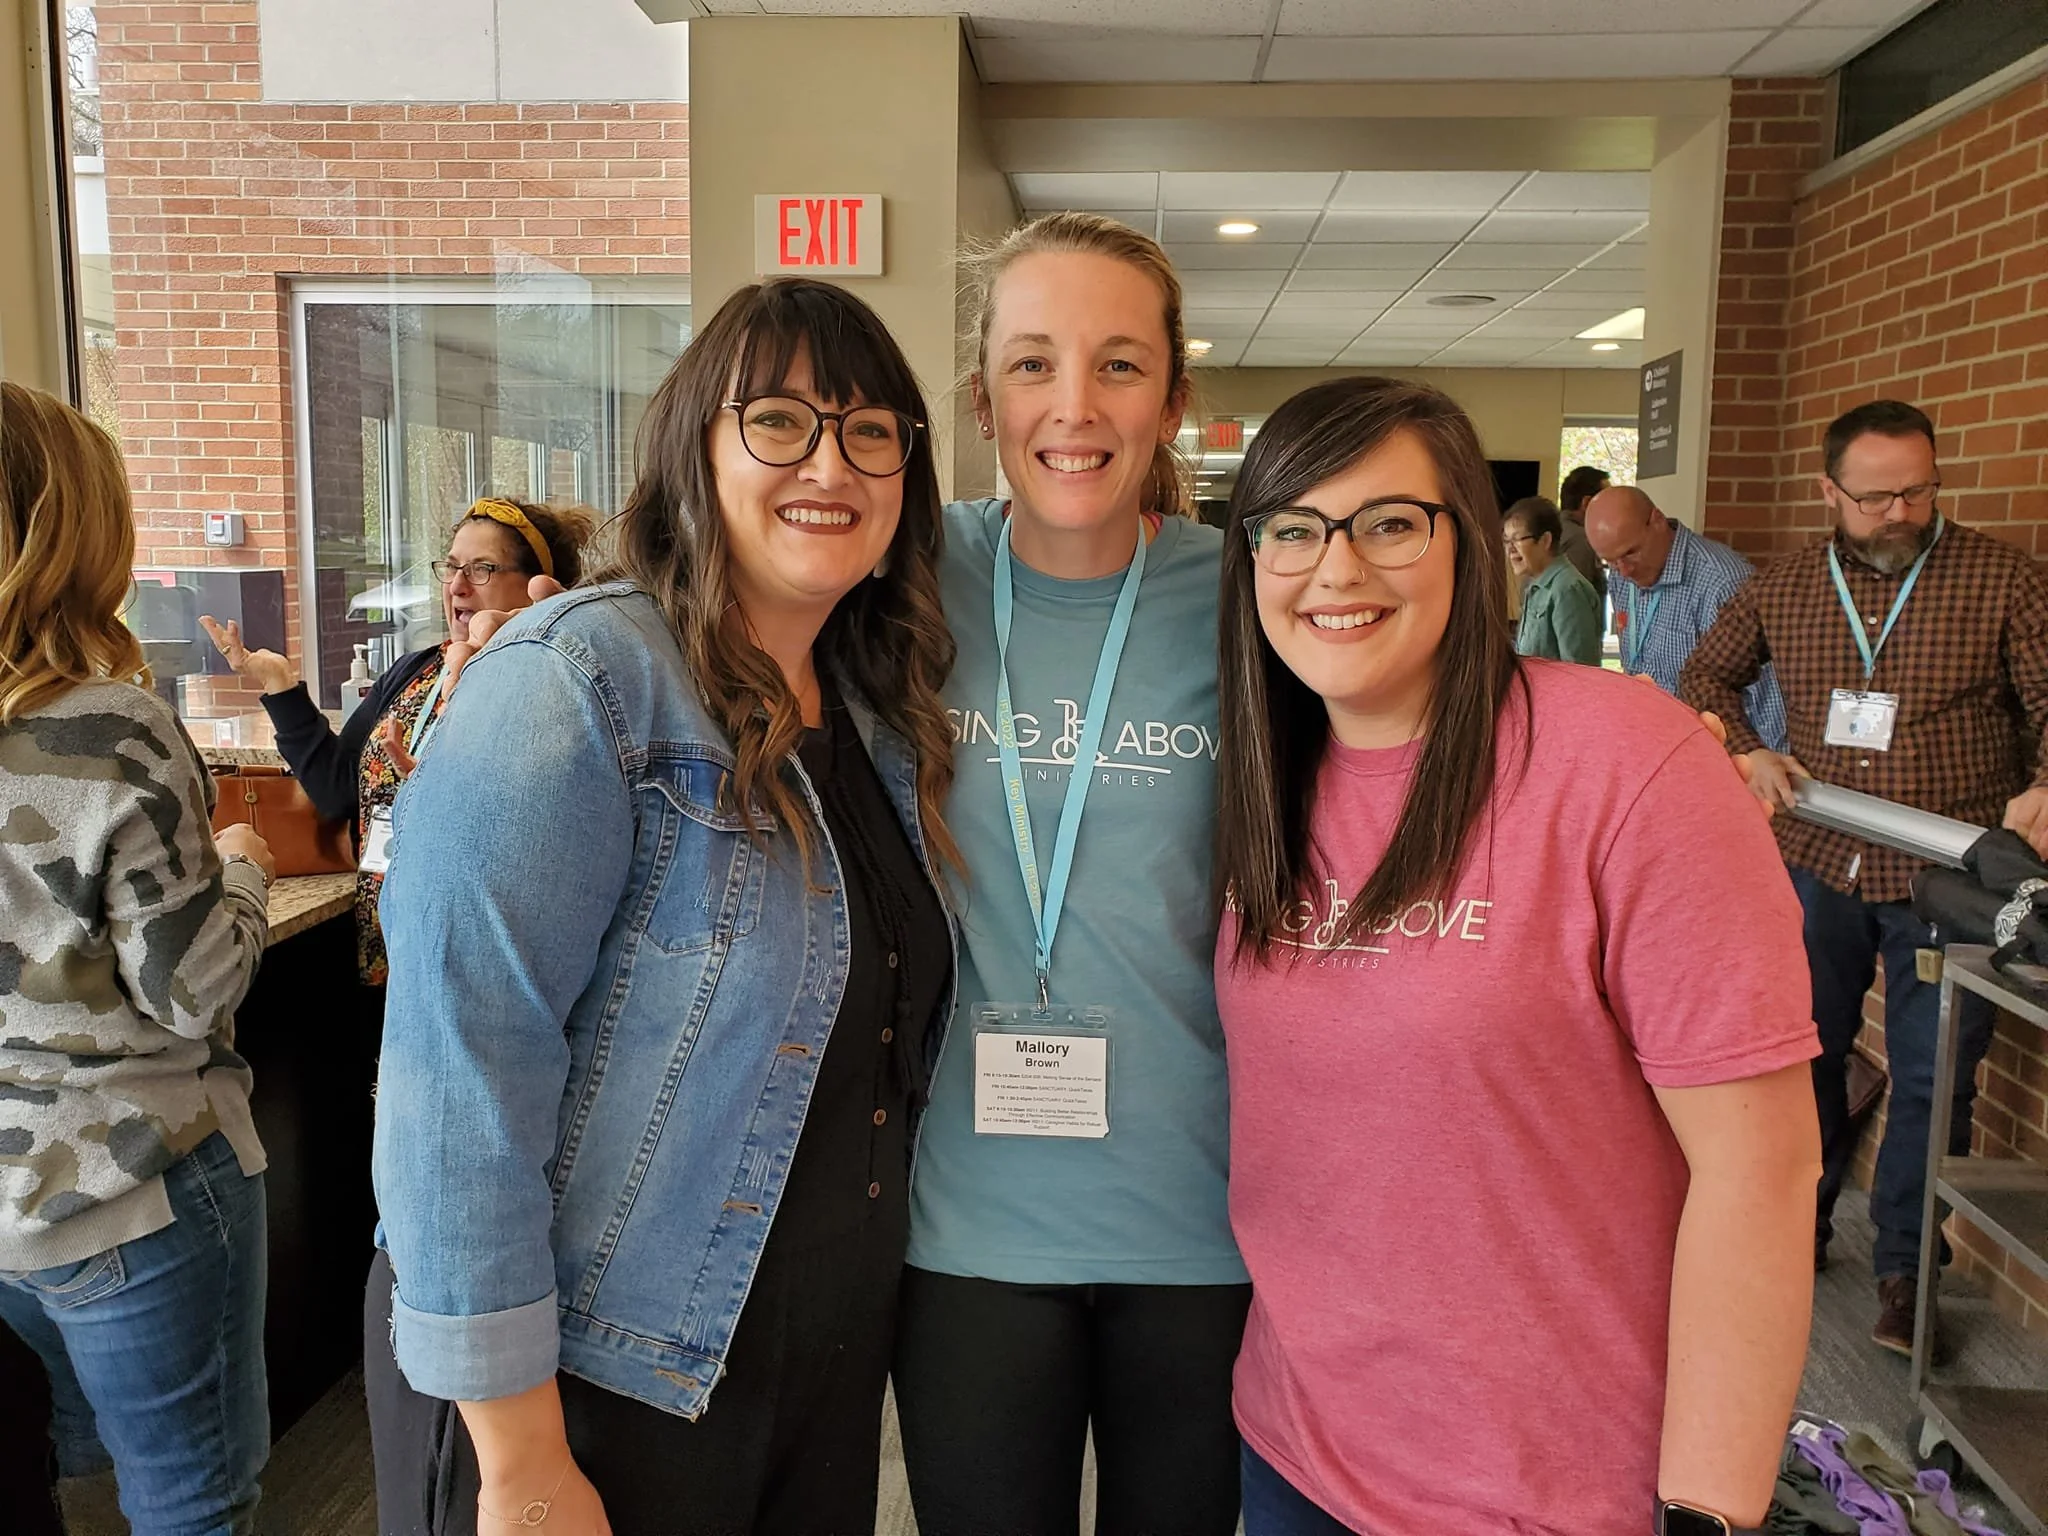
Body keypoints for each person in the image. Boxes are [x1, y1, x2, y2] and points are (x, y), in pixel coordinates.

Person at [366, 277, 959, 1536]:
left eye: (870, 433)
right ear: (694, 440)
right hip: (587, 1382)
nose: (830, 464)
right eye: (781, 421)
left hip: (803, 1363)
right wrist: (521, 1464)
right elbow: (455, 1084)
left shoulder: (870, 712)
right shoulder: (577, 681)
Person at [1213, 375, 1820, 1536]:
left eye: (1387, 523)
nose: (1333, 569)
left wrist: (1707, 1507)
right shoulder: (1261, 780)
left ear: (1470, 548)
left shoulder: (1620, 760)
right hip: (1298, 1452)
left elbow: (1762, 1171)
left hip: (1561, 1489)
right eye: (1291, 529)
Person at [892, 211, 1252, 1535]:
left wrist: (1668, 752)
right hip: (970, 1225)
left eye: (1117, 363)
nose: (1074, 406)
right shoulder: (906, 580)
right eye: (1035, 362)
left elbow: (1425, 733)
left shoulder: (1251, 595)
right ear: (983, 394)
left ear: (1172, 396)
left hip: (1202, 1218)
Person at [1680, 398, 2048, 1354]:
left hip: (1952, 876)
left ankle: (1905, 1272)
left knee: (1935, 1081)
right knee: (1801, 1059)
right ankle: (1790, 1231)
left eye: (1919, 491)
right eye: (1877, 496)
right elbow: (1705, 678)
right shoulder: (1787, 584)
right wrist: (1748, 749)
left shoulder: (2005, 579)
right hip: (1819, 863)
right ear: (1830, 491)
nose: (1900, 513)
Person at [0, 382, 276, 1535]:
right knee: (193, 1503)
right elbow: (187, 986)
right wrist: (246, 868)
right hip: (134, 1185)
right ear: (80, 531)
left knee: (68, 1478)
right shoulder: (111, 725)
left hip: (9, 1204)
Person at [200, 496, 594, 985]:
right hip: (387, 939)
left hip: (483, 954)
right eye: (450, 567)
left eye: (482, 569)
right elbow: (338, 789)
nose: (457, 586)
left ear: (536, 587)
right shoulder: (417, 669)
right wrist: (278, 683)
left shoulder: (552, 685)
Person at [1585, 483, 1790, 753]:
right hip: (1656, 747)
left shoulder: (1723, 583)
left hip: (1719, 757)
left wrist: (1765, 771)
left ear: (1657, 520)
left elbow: (1768, 700)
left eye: (1630, 553)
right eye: (1609, 562)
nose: (1623, 572)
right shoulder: (1622, 577)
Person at [1503, 495, 1602, 664]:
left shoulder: (1567, 589)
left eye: (1517, 539)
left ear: (1545, 540)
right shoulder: (1534, 585)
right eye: (1506, 540)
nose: (1510, 550)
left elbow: (1578, 671)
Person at [1555, 461, 1610, 599]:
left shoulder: (1549, 529)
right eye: (1607, 500)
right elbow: (1576, 601)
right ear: (1586, 503)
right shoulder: (1581, 540)